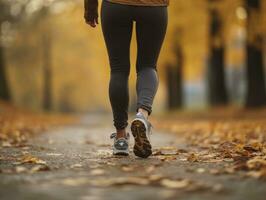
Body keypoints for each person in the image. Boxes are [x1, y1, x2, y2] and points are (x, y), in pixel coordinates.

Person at [84, 0, 169, 158]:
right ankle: (142, 115)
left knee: (118, 70)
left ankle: (121, 139)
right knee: (148, 66)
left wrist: (90, 8)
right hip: (154, 6)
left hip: (116, 5)